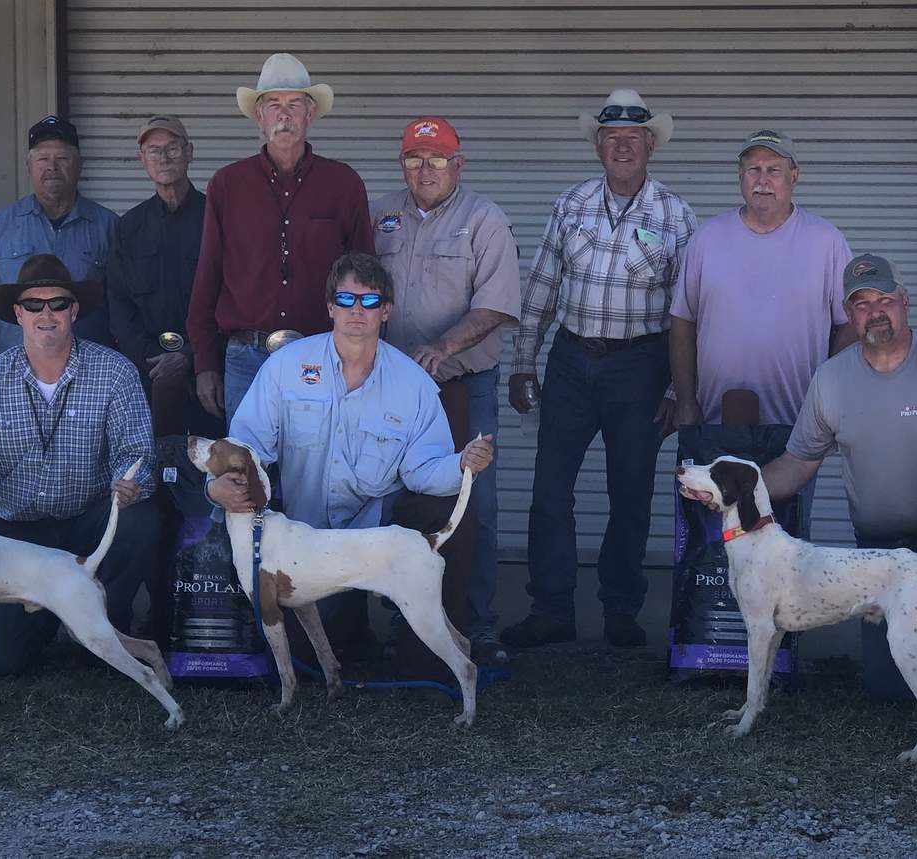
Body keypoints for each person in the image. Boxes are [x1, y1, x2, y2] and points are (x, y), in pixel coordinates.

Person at [759, 253, 917, 745]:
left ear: (904, 302)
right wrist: (739, 493)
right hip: (879, 549)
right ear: (848, 315)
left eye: (884, 300)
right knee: (887, 689)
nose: (875, 312)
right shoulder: (831, 380)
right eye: (861, 304)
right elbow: (797, 465)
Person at [208, 253, 494, 655]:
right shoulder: (285, 367)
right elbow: (246, 446)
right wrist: (215, 486)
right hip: (301, 537)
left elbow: (423, 471)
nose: (357, 310)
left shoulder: (413, 383)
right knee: (312, 650)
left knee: (450, 517)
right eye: (345, 300)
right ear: (329, 307)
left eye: (370, 301)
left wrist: (463, 463)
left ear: (386, 310)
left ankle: (424, 653)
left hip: (376, 528)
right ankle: (346, 628)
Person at [501, 89, 697, 650]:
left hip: (641, 365)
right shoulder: (570, 204)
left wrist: (676, 388)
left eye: (632, 138)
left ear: (650, 144)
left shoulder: (676, 215)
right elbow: (540, 288)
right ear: (598, 145)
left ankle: (620, 609)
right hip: (570, 359)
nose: (621, 146)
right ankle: (551, 607)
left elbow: (688, 310)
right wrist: (523, 364)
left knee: (630, 492)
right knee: (549, 487)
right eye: (611, 137)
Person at [0, 254, 159, 675]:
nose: (45, 314)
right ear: (18, 314)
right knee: (2, 661)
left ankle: (106, 623)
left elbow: (136, 451)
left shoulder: (116, 372)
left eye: (57, 303)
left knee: (140, 520)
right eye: (34, 305)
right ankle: (60, 616)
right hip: (16, 536)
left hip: (86, 520)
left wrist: (131, 483)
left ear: (75, 310)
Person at [370, 116, 520, 661]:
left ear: (458, 164)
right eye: (415, 158)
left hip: (464, 384)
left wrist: (444, 348)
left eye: (437, 159)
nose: (425, 169)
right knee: (397, 495)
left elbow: (498, 304)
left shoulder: (484, 220)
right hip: (392, 387)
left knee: (474, 498)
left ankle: (478, 624)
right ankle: (403, 622)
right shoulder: (380, 215)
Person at [668, 129, 856, 536]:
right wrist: (685, 401)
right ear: (740, 177)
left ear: (795, 176)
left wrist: (824, 402)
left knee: (784, 539)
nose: (762, 179)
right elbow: (682, 321)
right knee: (711, 541)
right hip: (714, 422)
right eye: (753, 169)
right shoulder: (707, 239)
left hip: (794, 425)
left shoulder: (826, 241)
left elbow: (848, 325)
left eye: (774, 169)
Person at [187, 53, 374, 428]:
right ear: (259, 116)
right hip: (246, 356)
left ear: (310, 115)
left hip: (322, 354)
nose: (284, 115)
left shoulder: (343, 184)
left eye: (294, 105)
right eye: (273, 105)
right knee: (246, 473)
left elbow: (367, 279)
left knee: (318, 472)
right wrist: (205, 364)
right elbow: (208, 277)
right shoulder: (227, 185)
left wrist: (361, 356)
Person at [0, 115, 118, 366]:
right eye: (42, 159)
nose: (52, 167)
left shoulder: (108, 226)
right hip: (14, 370)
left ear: (79, 165)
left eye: (62, 158)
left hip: (90, 373)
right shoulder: (1, 226)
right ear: (29, 167)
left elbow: (122, 306)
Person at [106, 114, 222, 438]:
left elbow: (232, 294)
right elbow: (119, 306)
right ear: (143, 160)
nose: (164, 157)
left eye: (172, 147)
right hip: (148, 374)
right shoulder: (129, 228)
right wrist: (153, 361)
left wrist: (190, 356)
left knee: (210, 471)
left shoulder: (217, 217)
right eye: (154, 150)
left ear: (190, 152)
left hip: (209, 373)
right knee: (152, 469)